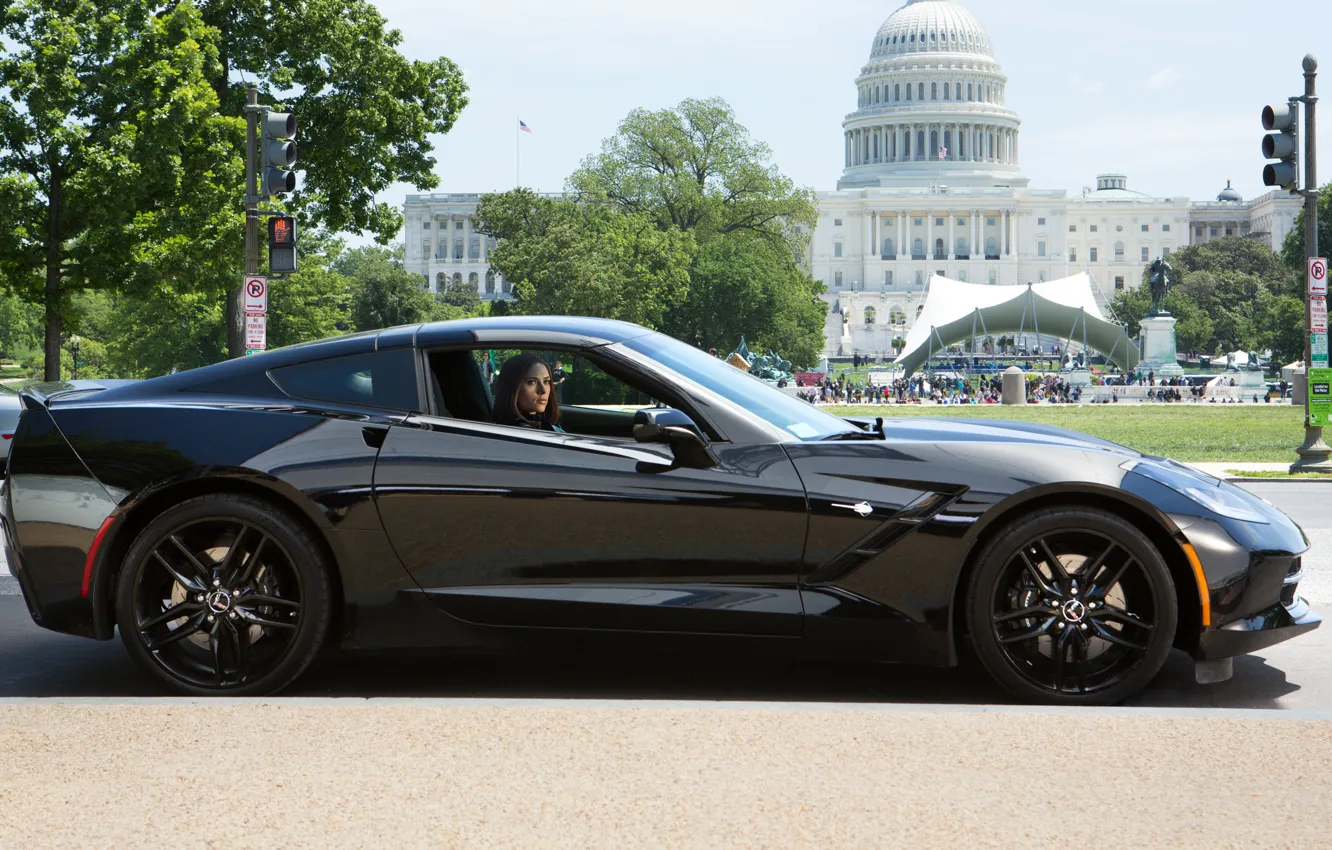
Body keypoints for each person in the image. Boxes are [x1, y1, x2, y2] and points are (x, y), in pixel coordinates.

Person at [492, 353, 564, 432]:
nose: (543, 390)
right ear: (512, 387)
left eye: (546, 381)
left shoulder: (539, 422)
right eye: (531, 382)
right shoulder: (519, 432)